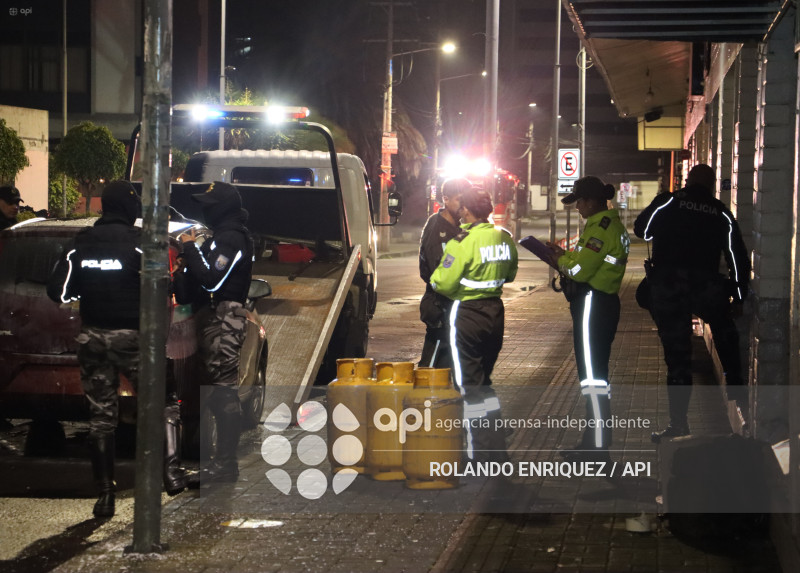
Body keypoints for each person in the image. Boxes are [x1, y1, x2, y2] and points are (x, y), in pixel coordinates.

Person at [46, 181, 186, 518]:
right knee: (163, 403)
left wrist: (87, 293)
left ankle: (105, 495)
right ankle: (171, 472)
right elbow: (161, 288)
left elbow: (58, 292)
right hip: (134, 339)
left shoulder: (80, 246)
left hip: (93, 338)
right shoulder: (140, 246)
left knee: (101, 419)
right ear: (129, 208)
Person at [634, 164, 750, 443]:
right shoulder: (720, 211)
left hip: (668, 289)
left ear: (687, 181)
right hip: (705, 288)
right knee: (727, 338)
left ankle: (678, 425)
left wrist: (661, 202)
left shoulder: (670, 201)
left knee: (678, 359)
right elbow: (737, 256)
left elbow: (642, 230)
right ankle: (744, 409)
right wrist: (739, 296)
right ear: (711, 185)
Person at [430, 186, 518, 462]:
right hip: (496, 313)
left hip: (467, 315)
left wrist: (435, 281)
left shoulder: (462, 241)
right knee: (485, 383)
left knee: (470, 386)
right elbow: (511, 274)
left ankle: (478, 454)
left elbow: (442, 282)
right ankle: (497, 450)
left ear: (466, 209)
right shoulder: (504, 237)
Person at [175, 181, 254, 487]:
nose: (204, 209)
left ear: (222, 207)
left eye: (209, 204)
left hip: (225, 318)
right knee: (214, 392)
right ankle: (219, 463)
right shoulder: (220, 236)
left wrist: (192, 248)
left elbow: (211, 281)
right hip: (212, 319)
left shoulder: (232, 238)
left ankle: (225, 465)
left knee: (223, 392)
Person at [546, 176, 629, 462]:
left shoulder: (601, 229)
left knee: (592, 378)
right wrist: (564, 256)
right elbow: (585, 261)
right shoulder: (606, 226)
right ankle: (594, 442)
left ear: (592, 201)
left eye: (579, 201)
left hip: (593, 304)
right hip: (601, 304)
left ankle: (596, 448)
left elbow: (580, 270)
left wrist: (558, 260)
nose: (577, 207)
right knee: (595, 378)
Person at [418, 177, 468, 370]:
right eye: (459, 201)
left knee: (449, 367)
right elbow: (435, 269)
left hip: (453, 307)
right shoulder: (436, 226)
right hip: (439, 306)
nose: (463, 207)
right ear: (446, 199)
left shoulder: (459, 228)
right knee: (432, 369)